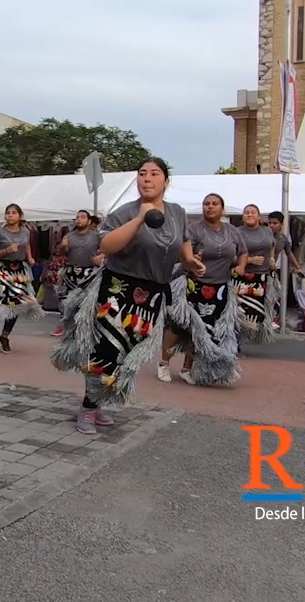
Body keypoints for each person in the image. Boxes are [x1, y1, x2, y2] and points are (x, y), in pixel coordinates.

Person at [50, 158, 205, 434]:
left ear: (166, 182)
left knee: (125, 355)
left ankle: (97, 403)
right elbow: (107, 245)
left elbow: (182, 243)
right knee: (106, 349)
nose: (147, 178)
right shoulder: (124, 212)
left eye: (154, 174)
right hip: (118, 290)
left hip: (153, 295)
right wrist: (139, 219)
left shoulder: (178, 212)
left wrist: (190, 262)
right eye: (142, 173)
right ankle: (88, 407)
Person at [164, 193, 246, 386]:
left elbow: (243, 252)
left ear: (222, 209)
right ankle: (163, 363)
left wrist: (241, 266)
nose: (210, 207)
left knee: (205, 328)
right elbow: (181, 254)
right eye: (206, 204)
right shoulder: (194, 230)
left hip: (220, 287)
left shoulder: (233, 231)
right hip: (193, 284)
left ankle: (187, 368)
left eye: (214, 204)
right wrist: (191, 259)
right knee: (178, 326)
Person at [0, 203, 42, 353]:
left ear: (20, 216)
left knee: (15, 305)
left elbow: (27, 246)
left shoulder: (26, 232)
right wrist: (7, 250)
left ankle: (5, 336)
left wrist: (29, 258)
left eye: (13, 213)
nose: (10, 215)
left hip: (19, 271)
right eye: (8, 213)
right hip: (2, 270)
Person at [51, 210, 103, 337]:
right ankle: (64, 325)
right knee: (65, 301)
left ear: (89, 221)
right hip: (70, 271)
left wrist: (100, 257)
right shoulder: (69, 236)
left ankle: (83, 328)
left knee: (85, 302)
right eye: (77, 217)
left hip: (89, 273)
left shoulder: (97, 236)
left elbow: (107, 250)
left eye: (82, 217)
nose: (79, 219)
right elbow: (59, 253)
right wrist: (63, 247)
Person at [234, 204, 279, 345]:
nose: (249, 215)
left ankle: (244, 339)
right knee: (240, 312)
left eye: (253, 212)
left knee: (256, 314)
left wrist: (272, 260)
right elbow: (229, 255)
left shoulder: (267, 231)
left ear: (259, 217)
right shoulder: (236, 232)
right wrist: (249, 260)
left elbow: (272, 245)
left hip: (261, 277)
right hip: (242, 277)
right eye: (246, 212)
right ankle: (235, 344)